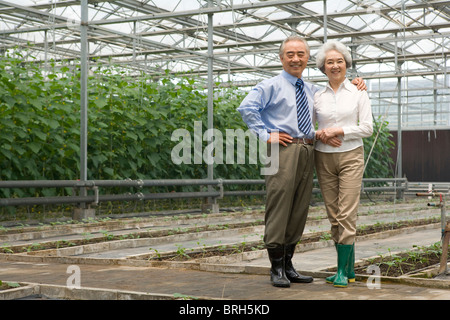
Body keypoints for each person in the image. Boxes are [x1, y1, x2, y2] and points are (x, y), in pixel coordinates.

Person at [237, 35, 366, 288]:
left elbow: (335, 97)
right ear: (281, 58)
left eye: (301, 54)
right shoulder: (270, 85)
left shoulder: (311, 89)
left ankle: (288, 265)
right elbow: (247, 108)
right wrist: (265, 134)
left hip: (308, 149)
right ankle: (275, 268)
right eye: (290, 54)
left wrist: (356, 82)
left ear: (308, 58)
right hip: (282, 150)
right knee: (279, 206)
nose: (296, 59)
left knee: (298, 209)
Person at [313, 40, 373, 288]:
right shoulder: (316, 95)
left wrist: (340, 130)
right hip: (323, 156)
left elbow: (367, 128)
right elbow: (308, 127)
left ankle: (340, 271)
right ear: (323, 67)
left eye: (339, 61)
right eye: (330, 62)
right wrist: (321, 134)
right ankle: (348, 271)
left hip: (351, 155)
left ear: (347, 65)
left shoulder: (359, 92)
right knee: (334, 215)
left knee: (347, 212)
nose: (335, 65)